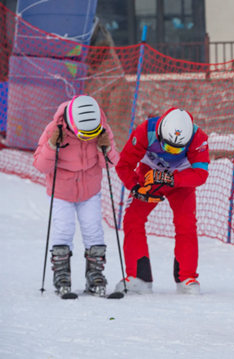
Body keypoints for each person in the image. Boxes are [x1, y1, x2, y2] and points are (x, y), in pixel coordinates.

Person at [114, 108, 210, 294]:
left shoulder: (198, 138)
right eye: (167, 146)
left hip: (182, 180)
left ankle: (186, 278)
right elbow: (124, 165)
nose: (171, 151)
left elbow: (200, 174)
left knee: (186, 224)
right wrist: (135, 187)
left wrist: (172, 179)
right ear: (160, 134)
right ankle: (138, 278)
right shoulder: (145, 131)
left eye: (177, 149)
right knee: (133, 219)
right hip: (149, 176)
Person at [33, 95, 119, 297]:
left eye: (92, 134)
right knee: (63, 229)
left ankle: (95, 275)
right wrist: (52, 146)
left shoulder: (102, 128)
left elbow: (110, 164)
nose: (88, 138)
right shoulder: (54, 129)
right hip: (61, 191)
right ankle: (61, 275)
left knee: (94, 230)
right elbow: (40, 166)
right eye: (84, 134)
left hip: (90, 191)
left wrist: (104, 148)